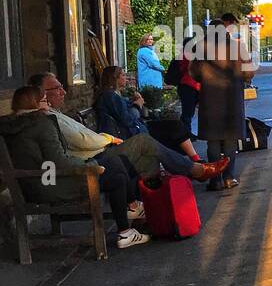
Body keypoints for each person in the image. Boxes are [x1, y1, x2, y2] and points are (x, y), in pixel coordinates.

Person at [0, 86, 149, 250]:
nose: (48, 103)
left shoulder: (10, 127)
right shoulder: (41, 124)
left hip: (32, 185)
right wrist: (90, 166)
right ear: (35, 103)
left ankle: (127, 228)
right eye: (44, 100)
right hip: (51, 184)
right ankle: (131, 214)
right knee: (115, 166)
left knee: (117, 171)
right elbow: (59, 161)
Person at [90, 67, 229, 185]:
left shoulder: (116, 94)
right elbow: (127, 119)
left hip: (137, 130)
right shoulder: (109, 96)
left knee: (174, 126)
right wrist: (137, 106)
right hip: (129, 136)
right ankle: (196, 169)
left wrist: (137, 103)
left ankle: (195, 166)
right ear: (114, 78)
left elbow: (135, 114)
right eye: (123, 75)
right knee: (164, 136)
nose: (126, 78)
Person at [196, 14, 255, 190]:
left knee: (213, 141)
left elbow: (194, 73)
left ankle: (215, 179)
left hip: (210, 99)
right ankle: (229, 177)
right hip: (232, 99)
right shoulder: (238, 47)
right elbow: (248, 72)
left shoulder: (200, 48)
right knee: (230, 140)